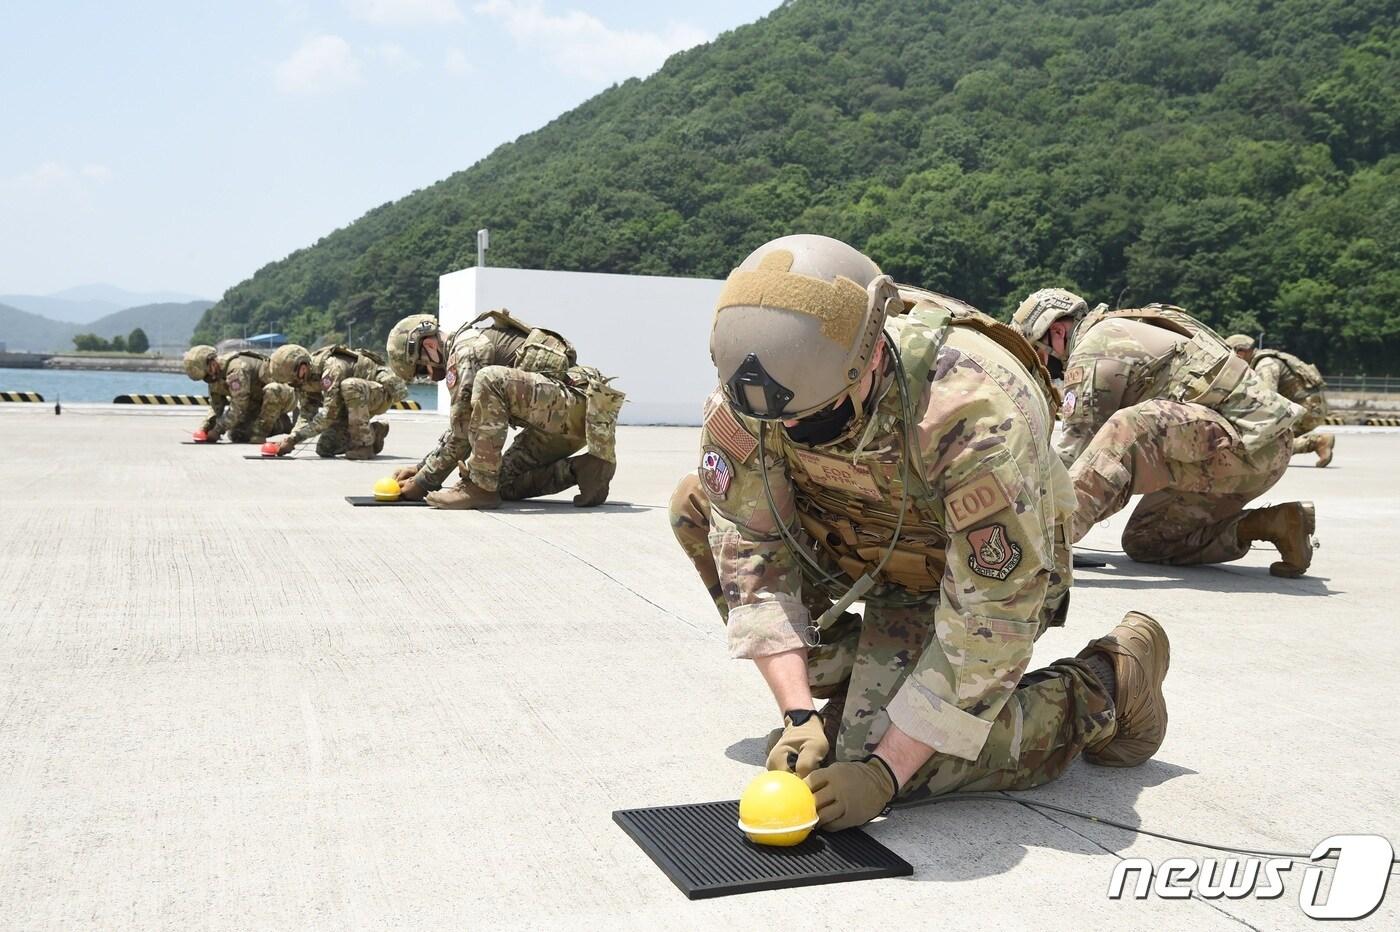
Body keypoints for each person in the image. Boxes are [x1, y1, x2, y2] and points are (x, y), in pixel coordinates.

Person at [668, 234, 1169, 831]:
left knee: (887, 761)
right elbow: (751, 554)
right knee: (697, 504)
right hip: (862, 553)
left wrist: (883, 774)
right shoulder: (759, 392)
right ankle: (869, 686)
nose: (799, 430)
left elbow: (992, 619)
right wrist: (798, 712)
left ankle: (1107, 685)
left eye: (822, 418)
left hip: (969, 589)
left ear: (874, 357)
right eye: (784, 424)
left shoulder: (968, 415)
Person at [1012, 289, 1316, 577]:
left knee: (1130, 426)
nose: (1043, 363)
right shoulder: (1127, 326)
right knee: (1148, 540)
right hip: (1251, 453)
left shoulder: (1096, 343)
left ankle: (1042, 546)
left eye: (1038, 351)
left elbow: (1077, 449)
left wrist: (1021, 516)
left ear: (1057, 331)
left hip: (1244, 443)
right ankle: (1274, 524)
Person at [384, 310, 624, 509]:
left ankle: (479, 489)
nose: (428, 376)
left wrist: (424, 482)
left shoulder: (466, 351)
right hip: (566, 420)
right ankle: (586, 469)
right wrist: (420, 468)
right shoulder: (469, 347)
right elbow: (461, 426)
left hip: (572, 407)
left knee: (490, 379)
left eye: (420, 369)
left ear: (429, 345)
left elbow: (462, 432)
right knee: (503, 482)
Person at [268, 343, 406, 459]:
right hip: (349, 406)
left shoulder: (333, 368)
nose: (292, 384)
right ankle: (375, 432)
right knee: (325, 448)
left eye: (292, 380)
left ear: (302, 367)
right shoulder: (302, 381)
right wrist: (290, 438)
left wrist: (295, 439)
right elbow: (306, 414)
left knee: (349, 385)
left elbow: (328, 415)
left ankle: (364, 445)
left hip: (377, 394)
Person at [1225, 335, 1334, 468]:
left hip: (1308, 411)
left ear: (1241, 352)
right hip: (1311, 407)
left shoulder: (1265, 366)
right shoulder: (1265, 360)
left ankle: (1317, 442)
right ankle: (1316, 442)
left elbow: (1266, 402)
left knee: (1261, 444)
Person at [182, 344, 293, 443]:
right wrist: (205, 428)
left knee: (270, 392)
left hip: (282, 396)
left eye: (207, 375)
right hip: (256, 401)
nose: (207, 379)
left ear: (212, 363)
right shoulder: (213, 377)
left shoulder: (236, 369)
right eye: (204, 378)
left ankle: (278, 426)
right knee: (237, 435)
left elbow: (239, 406)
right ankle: (275, 421)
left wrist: (217, 430)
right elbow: (216, 407)